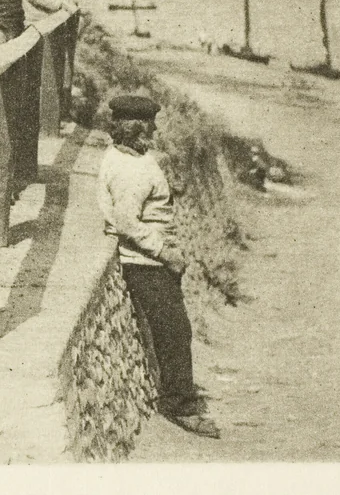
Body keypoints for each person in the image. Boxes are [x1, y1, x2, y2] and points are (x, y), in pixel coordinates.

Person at [97, 94, 221, 439]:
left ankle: (177, 397)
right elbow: (126, 222)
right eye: (149, 126)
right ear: (135, 129)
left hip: (150, 261)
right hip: (147, 264)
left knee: (174, 331)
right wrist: (165, 252)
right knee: (175, 333)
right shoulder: (131, 170)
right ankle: (179, 406)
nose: (154, 130)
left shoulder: (126, 158)